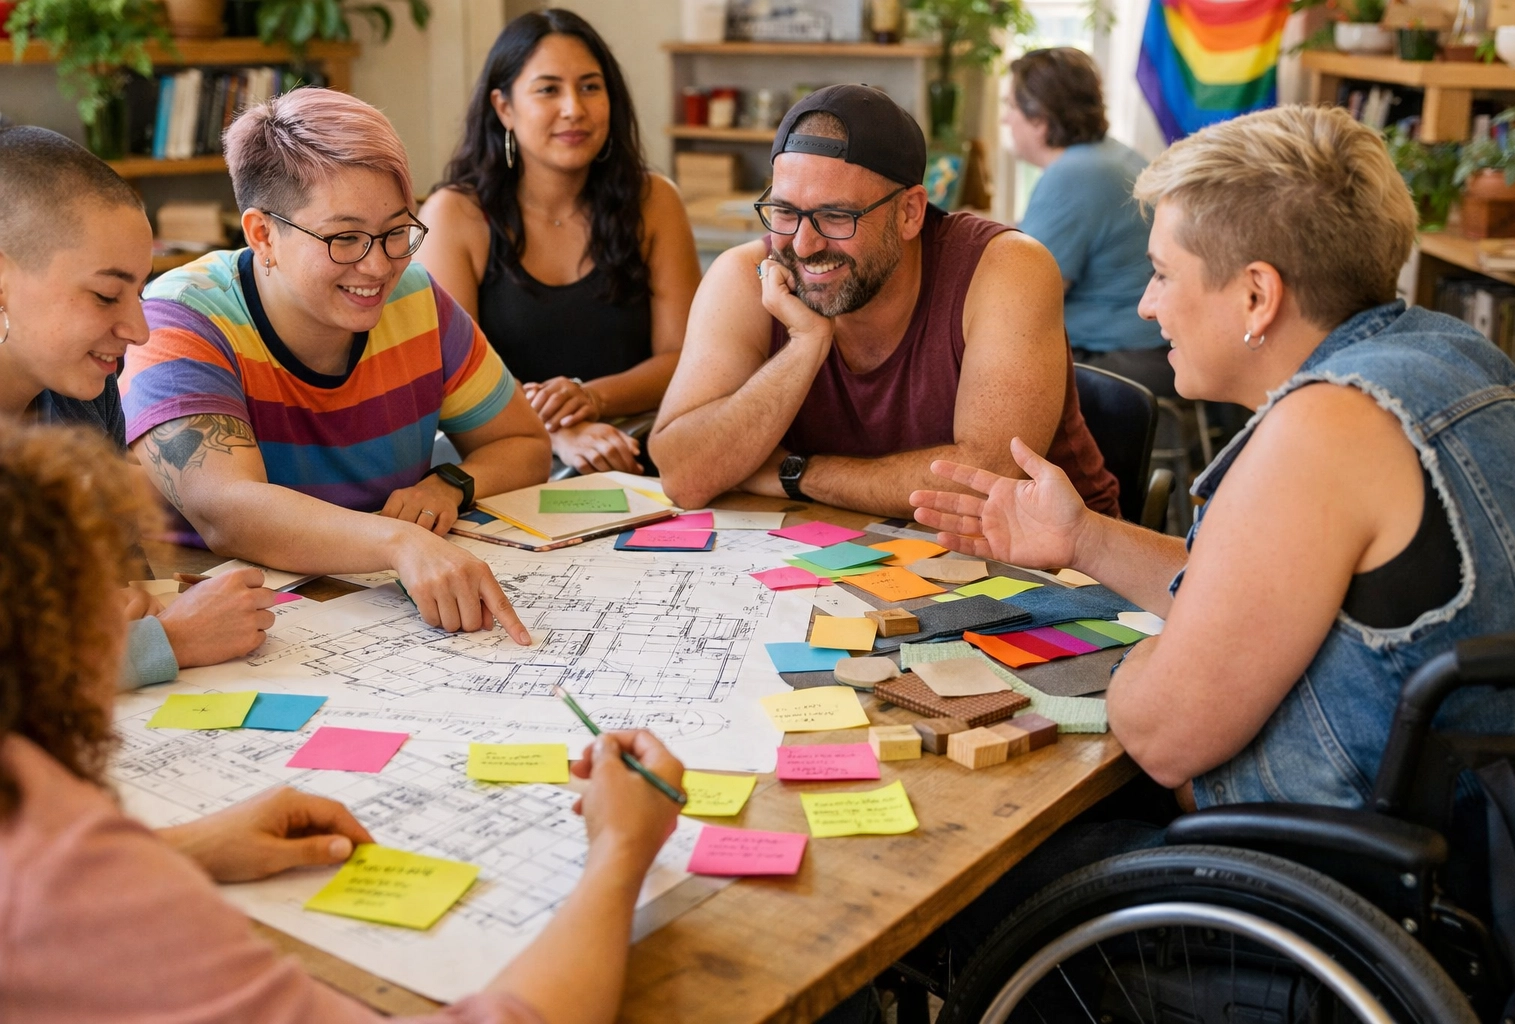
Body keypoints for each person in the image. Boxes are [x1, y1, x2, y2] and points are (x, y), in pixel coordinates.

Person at [914, 104, 1515, 815]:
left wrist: (1146, 666)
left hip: (1304, 872)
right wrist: (1083, 538)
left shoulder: (1323, 429)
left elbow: (1161, 736)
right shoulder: (1452, 352)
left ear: (1255, 295)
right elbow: (1258, 595)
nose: (1146, 306)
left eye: (1162, 274)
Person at [0, 419, 686, 1024]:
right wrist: (622, 848)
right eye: (115, 602)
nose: (137, 608)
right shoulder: (56, 871)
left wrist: (180, 851)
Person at [121, 89, 551, 642]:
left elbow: (523, 443)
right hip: (222, 623)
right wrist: (399, 542)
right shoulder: (178, 317)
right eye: (345, 238)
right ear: (261, 234)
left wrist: (449, 484)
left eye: (396, 232)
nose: (377, 266)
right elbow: (225, 511)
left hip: (377, 605)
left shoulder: (416, 297)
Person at [649, 84, 1120, 519]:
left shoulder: (1007, 267)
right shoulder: (746, 274)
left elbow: (985, 484)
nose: (804, 244)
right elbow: (684, 477)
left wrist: (795, 473)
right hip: (846, 557)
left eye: (836, 216)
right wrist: (805, 345)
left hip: (1051, 573)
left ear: (910, 211)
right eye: (785, 212)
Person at [0, 123, 275, 689]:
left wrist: (145, 610)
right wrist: (167, 642)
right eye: (106, 295)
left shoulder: (85, 393)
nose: (138, 330)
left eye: (140, 291)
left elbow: (121, 588)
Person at [418, 9, 700, 476]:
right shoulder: (455, 215)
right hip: (499, 456)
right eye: (548, 89)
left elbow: (685, 360)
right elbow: (450, 379)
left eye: (590, 86)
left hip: (635, 448)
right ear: (504, 107)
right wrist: (555, 431)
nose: (574, 108)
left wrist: (590, 397)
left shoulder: (655, 202)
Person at [1005, 48, 1172, 396]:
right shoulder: (1110, 154)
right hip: (1154, 343)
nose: (1006, 119)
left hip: (1123, 353)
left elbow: (1022, 292)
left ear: (1039, 119)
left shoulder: (1072, 175)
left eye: (1011, 106)